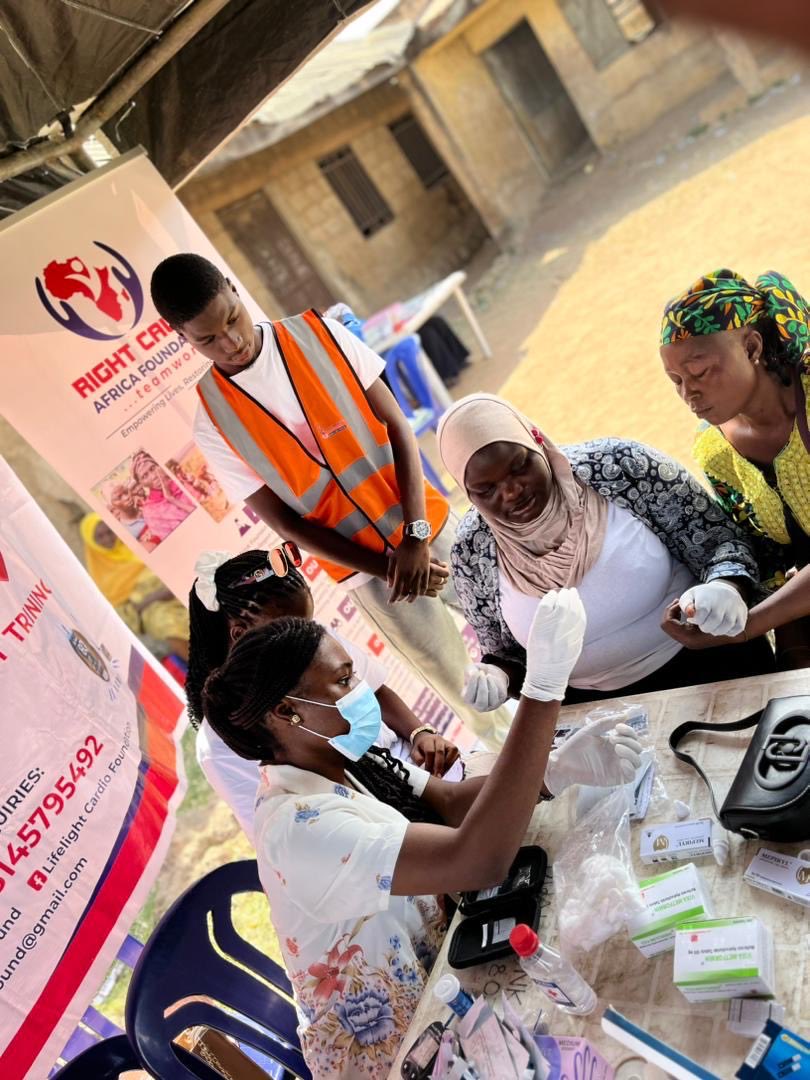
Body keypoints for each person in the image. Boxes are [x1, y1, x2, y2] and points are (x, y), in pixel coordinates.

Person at [202, 591, 642, 1078]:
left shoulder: (341, 758)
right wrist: (541, 691)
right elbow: (476, 858)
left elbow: (449, 802)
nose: (363, 691)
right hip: (394, 1052)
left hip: (446, 979)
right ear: (288, 712)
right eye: (344, 681)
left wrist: (551, 773)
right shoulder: (298, 830)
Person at [150, 254, 512, 743]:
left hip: (429, 523)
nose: (230, 342)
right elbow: (290, 526)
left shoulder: (319, 334)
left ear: (235, 289)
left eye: (231, 320)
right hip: (373, 575)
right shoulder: (212, 422)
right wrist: (391, 569)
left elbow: (398, 429)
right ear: (181, 338)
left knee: (514, 625)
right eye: (207, 339)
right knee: (462, 685)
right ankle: (527, 771)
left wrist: (415, 538)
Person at [436, 394, 775, 716]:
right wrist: (498, 678)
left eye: (519, 467)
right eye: (486, 490)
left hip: (711, 663)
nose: (511, 492)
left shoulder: (620, 466)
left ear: (536, 440)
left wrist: (726, 586)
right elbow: (507, 655)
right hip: (600, 720)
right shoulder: (472, 550)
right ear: (468, 492)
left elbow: (722, 542)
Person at [186, 547, 462, 839]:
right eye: (291, 627)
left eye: (306, 623)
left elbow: (375, 688)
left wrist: (420, 732)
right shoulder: (221, 745)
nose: (307, 635)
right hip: (369, 827)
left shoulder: (312, 643)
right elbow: (276, 830)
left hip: (411, 774)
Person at [659, 268, 810, 668]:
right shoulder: (716, 451)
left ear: (752, 346)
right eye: (675, 380)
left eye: (700, 371)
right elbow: (771, 559)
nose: (689, 393)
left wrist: (748, 626)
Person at [79, 513, 190, 660]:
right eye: (99, 537)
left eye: (109, 532)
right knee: (169, 624)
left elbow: (171, 565)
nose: (107, 539)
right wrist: (153, 598)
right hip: (151, 609)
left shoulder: (137, 546)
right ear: (91, 542)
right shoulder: (101, 576)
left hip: (173, 588)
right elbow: (124, 614)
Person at [130, 450, 195, 543]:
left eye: (152, 468)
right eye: (145, 476)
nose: (153, 476)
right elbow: (176, 541)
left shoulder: (180, 477)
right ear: (141, 484)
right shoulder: (151, 512)